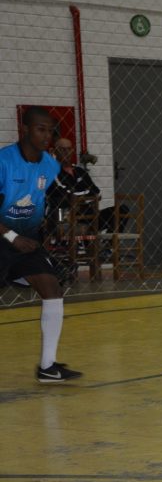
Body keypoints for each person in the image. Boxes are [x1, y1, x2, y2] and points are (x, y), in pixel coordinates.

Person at [0, 106, 82, 382]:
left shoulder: (50, 165)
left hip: (27, 243)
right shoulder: (4, 161)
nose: (47, 135)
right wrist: (11, 237)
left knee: (52, 288)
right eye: (40, 129)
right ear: (25, 129)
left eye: (50, 130)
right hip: (4, 238)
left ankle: (47, 367)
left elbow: (51, 198)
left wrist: (50, 223)